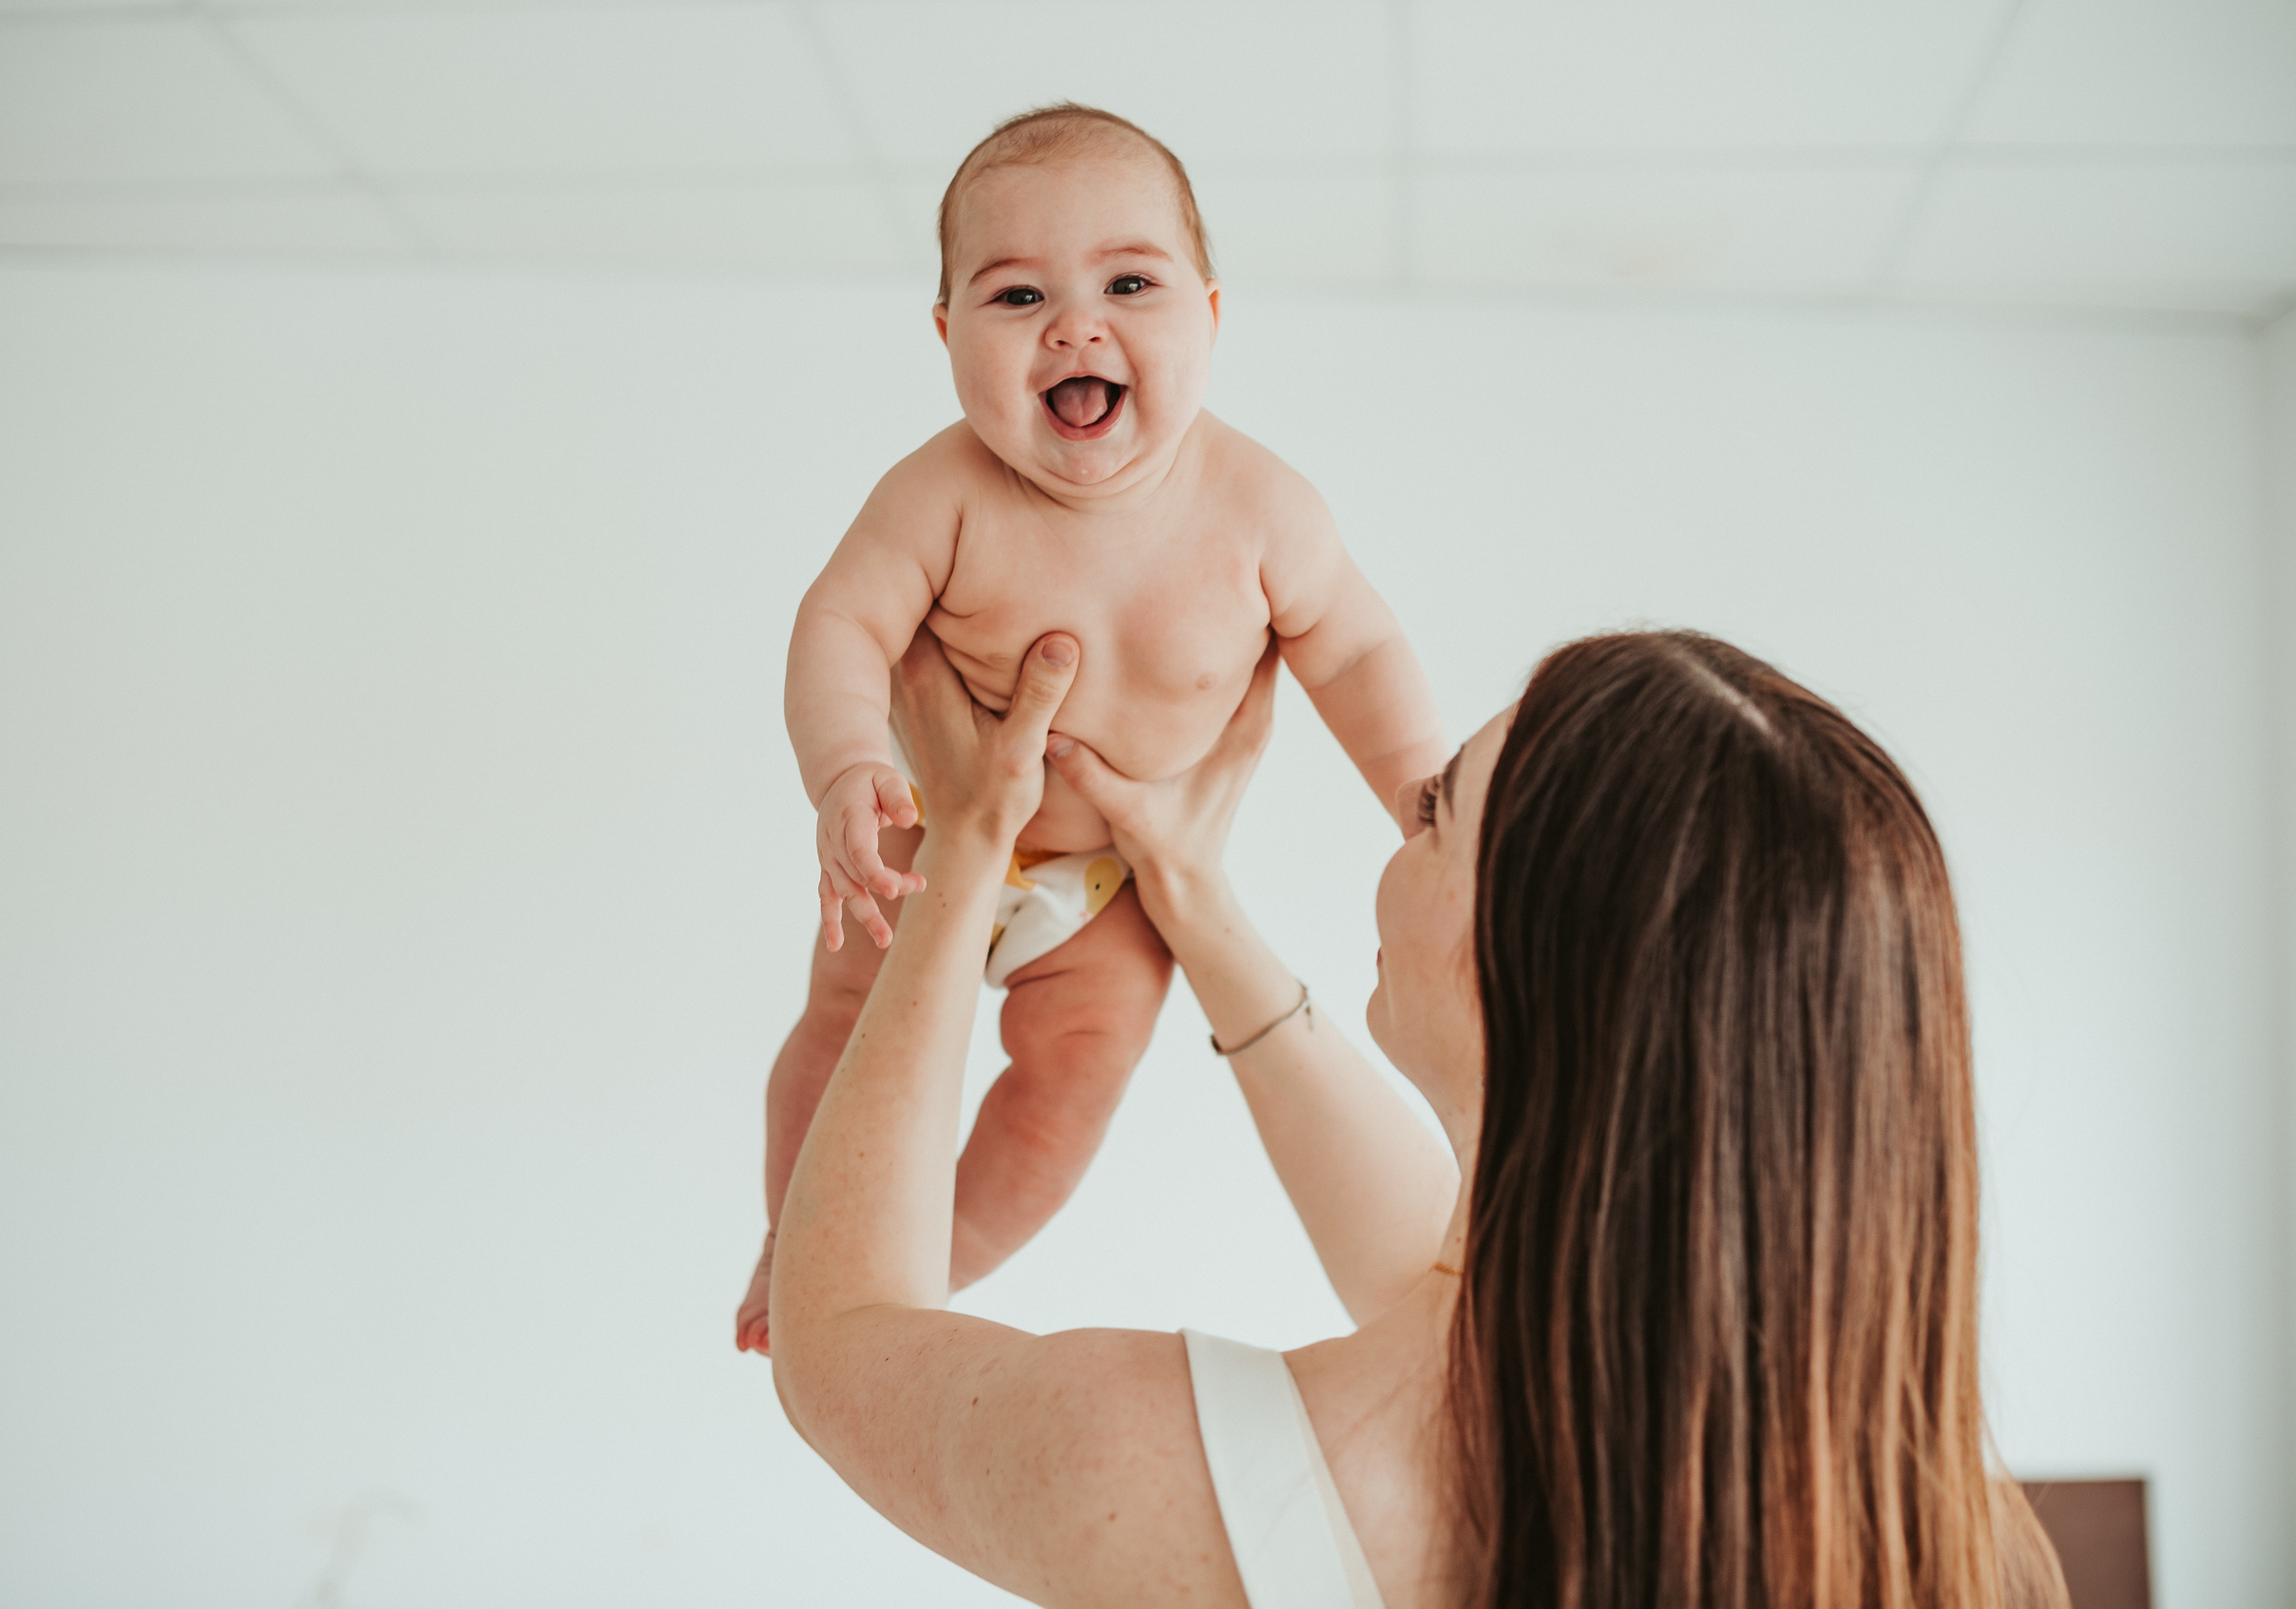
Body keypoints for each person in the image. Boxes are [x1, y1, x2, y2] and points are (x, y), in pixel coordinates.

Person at [769, 624, 2070, 1608]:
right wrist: (1185, 892)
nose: (1403, 835)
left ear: (1526, 966)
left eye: (1437, 808)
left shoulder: (1188, 1474)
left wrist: (967, 842)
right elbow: (1438, 1270)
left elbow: (835, 1342)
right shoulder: (1968, 1546)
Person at [736, 103, 1446, 1353]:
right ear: (949, 335)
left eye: (1130, 280)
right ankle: (802, 1244)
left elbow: (1358, 644)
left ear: (1212, 318)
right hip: (916, 842)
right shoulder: (937, 495)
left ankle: (921, 1271)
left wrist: (1420, 792)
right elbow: (840, 624)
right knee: (841, 1036)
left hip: (1111, 892)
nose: (1077, 324)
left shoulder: (1262, 509)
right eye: (1016, 298)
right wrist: (847, 764)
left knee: (1063, 1097)